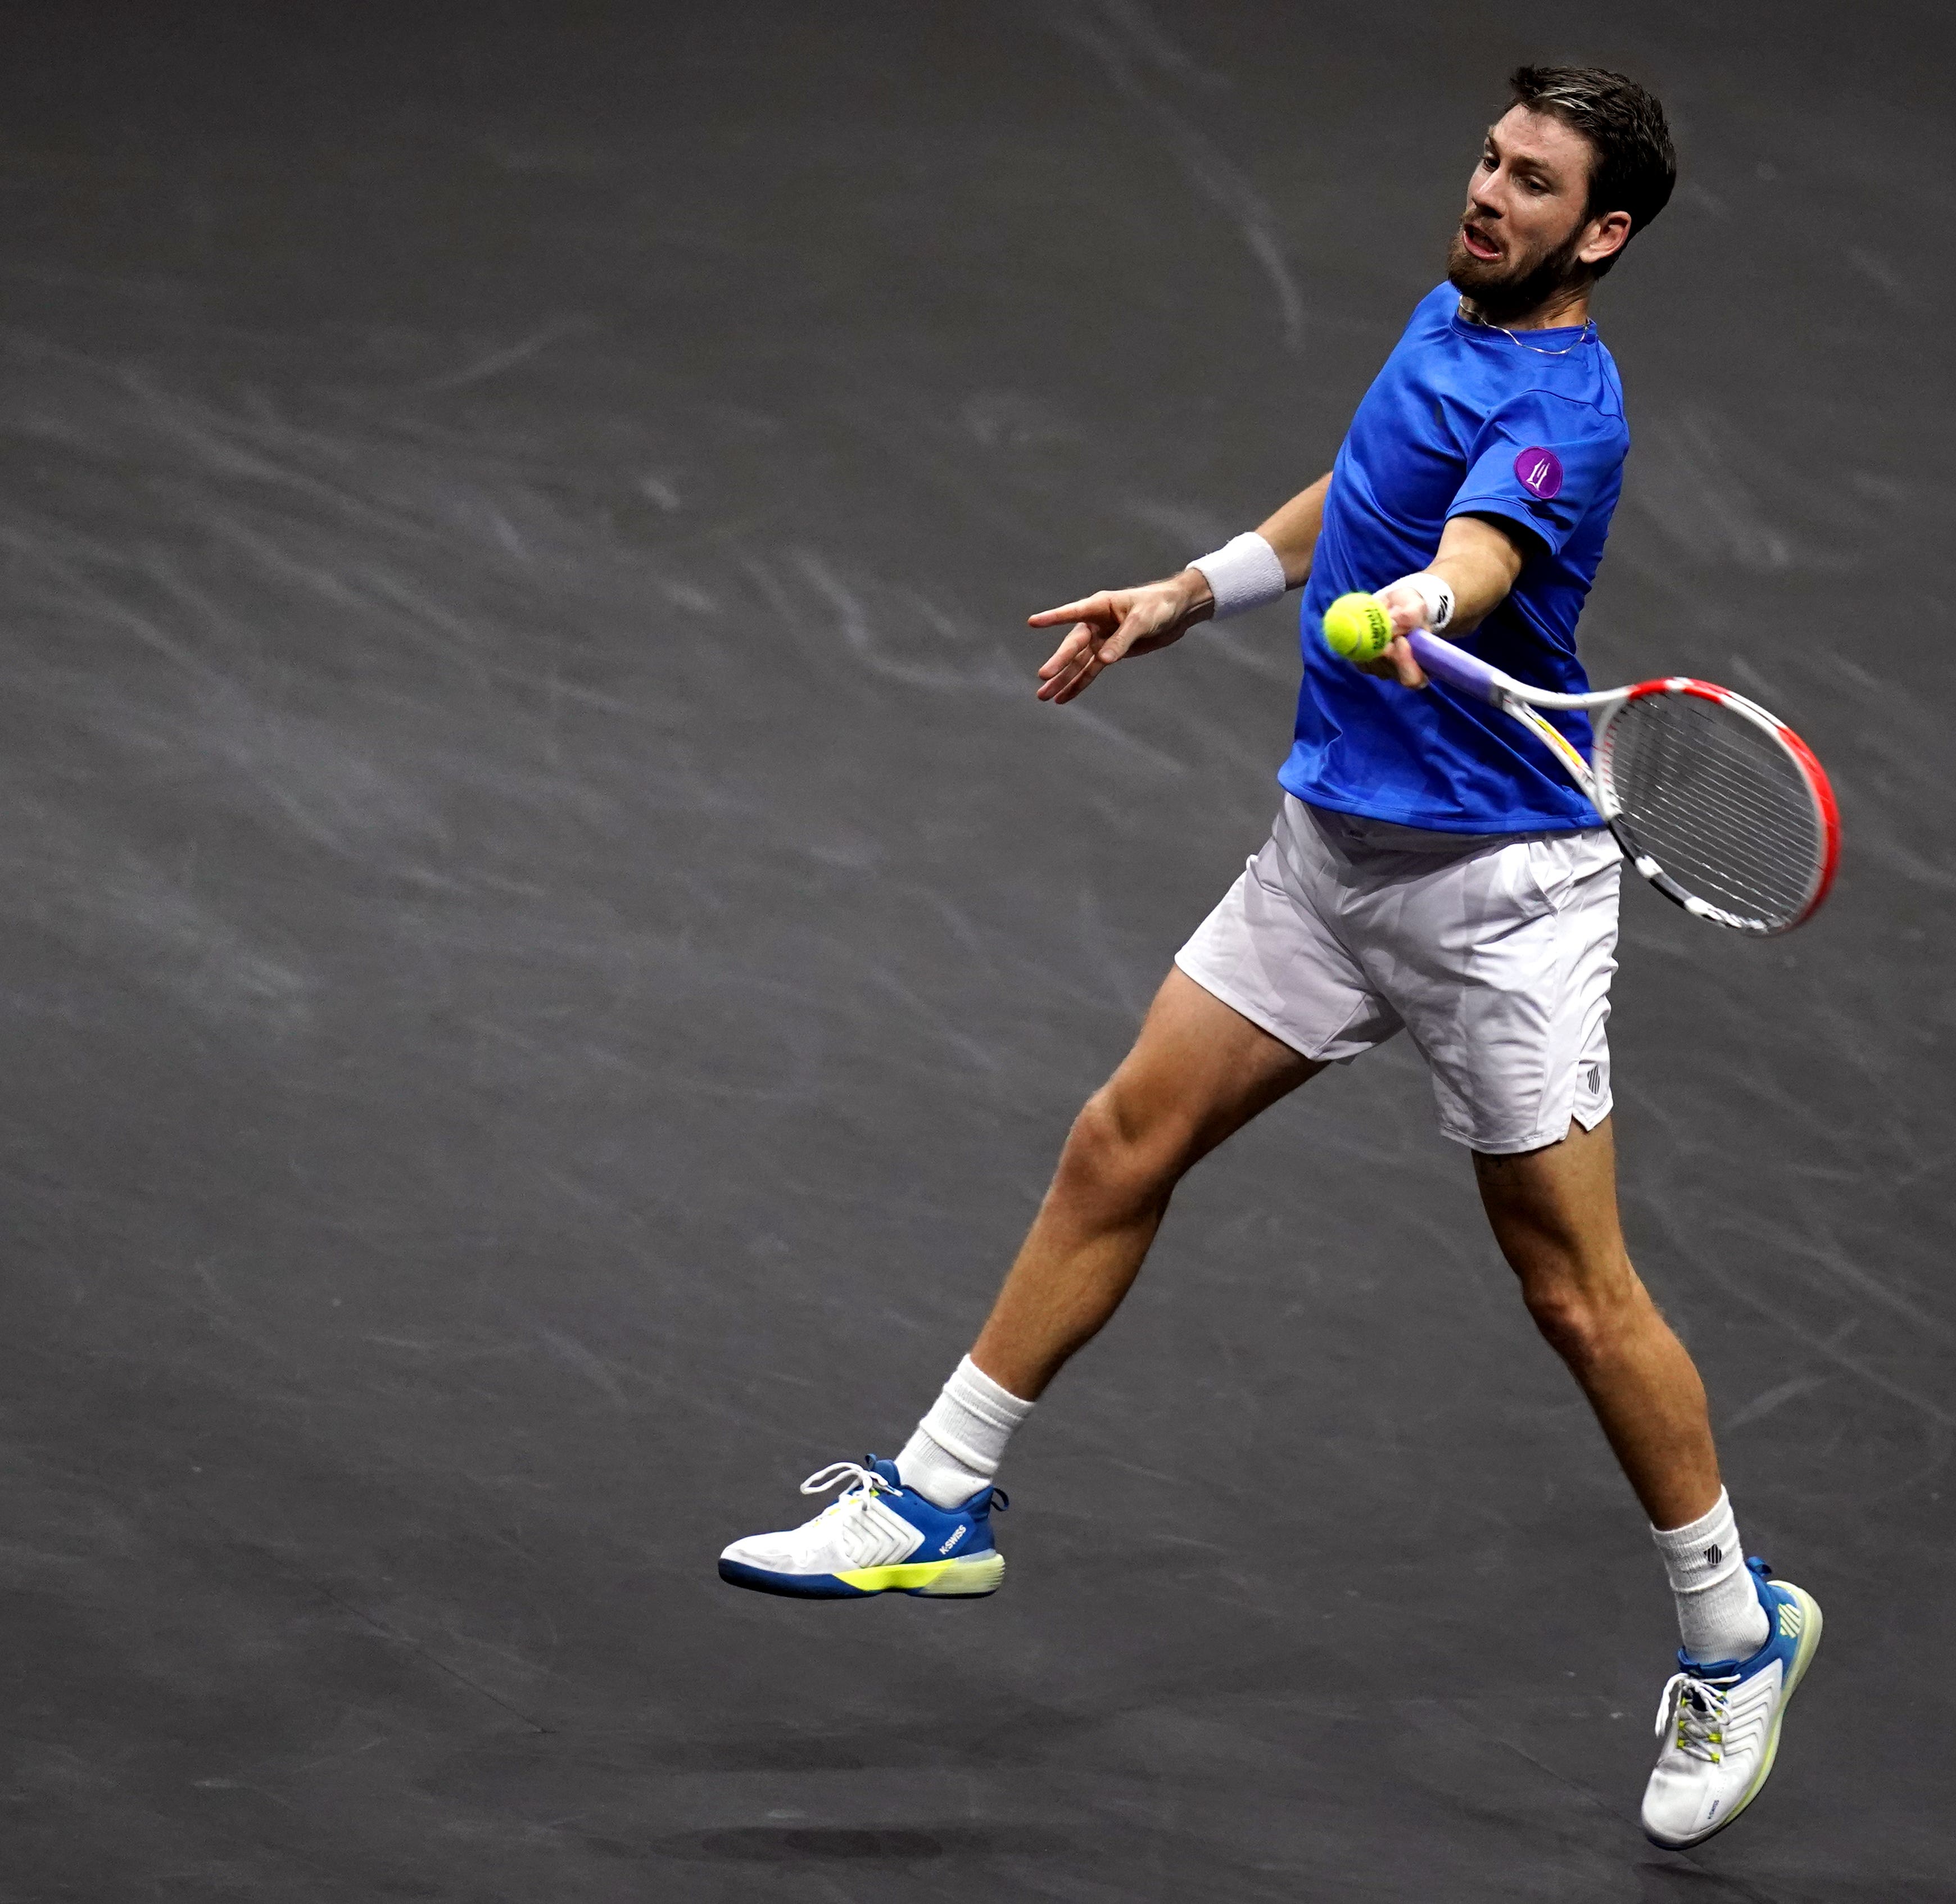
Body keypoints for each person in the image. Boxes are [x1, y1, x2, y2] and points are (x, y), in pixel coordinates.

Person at [716, 64, 1818, 1848]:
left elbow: (1460, 546)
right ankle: (936, 1499)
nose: (1487, 194)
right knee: (1117, 1141)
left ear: (1600, 234)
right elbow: (1364, 488)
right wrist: (1190, 591)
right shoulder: (1442, 312)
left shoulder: (1568, 412)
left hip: (1495, 905)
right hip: (1328, 857)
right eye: (1485, 158)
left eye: (1532, 185)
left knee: (1571, 1294)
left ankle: (1732, 1627)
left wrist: (1430, 611)